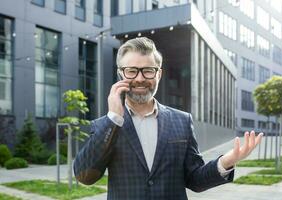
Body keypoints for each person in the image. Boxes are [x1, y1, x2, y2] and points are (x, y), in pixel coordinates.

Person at [73, 37, 263, 200]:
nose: (139, 78)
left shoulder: (182, 121)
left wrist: (226, 161)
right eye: (131, 70)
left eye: (148, 70)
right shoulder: (105, 125)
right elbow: (84, 176)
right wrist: (113, 118)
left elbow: (195, 180)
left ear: (159, 73)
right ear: (121, 73)